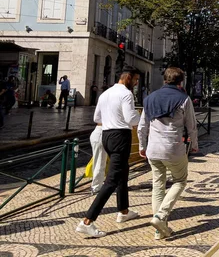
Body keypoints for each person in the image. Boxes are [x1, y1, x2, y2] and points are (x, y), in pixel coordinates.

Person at [75, 66, 141, 238]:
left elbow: (97, 118)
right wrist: (144, 117)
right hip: (120, 136)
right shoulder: (126, 94)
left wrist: (112, 118)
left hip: (106, 134)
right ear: (127, 77)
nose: (136, 83)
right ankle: (87, 221)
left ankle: (124, 210)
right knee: (112, 179)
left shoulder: (105, 94)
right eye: (135, 80)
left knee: (122, 172)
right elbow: (131, 119)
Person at [138, 67, 198, 240]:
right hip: (173, 148)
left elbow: (143, 126)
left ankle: (159, 230)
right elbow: (191, 125)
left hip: (153, 149)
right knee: (180, 181)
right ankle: (160, 216)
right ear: (181, 81)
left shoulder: (149, 99)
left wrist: (142, 145)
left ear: (164, 79)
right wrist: (194, 145)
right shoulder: (184, 99)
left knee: (158, 185)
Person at [89, 123, 106, 195]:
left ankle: (97, 185)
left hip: (99, 133)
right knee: (99, 162)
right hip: (102, 133)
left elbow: (96, 118)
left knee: (99, 161)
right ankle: (96, 187)